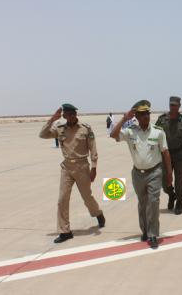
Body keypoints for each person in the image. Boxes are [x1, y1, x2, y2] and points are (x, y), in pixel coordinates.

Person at [110, 100, 173, 249]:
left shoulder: (158, 131)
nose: (146, 116)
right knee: (143, 203)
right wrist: (125, 119)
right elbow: (113, 135)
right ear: (136, 117)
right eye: (142, 114)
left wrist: (169, 173)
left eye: (147, 114)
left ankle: (152, 234)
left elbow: (165, 152)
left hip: (155, 172)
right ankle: (144, 230)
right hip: (138, 174)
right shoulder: (130, 131)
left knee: (153, 202)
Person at [39, 104, 105, 243]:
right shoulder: (60, 128)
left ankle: (98, 213)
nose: (72, 116)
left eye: (74, 113)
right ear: (64, 116)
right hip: (66, 167)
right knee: (62, 199)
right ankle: (65, 231)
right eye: (69, 114)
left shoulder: (85, 129)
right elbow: (43, 135)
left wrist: (94, 167)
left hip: (82, 166)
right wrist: (52, 119)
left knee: (87, 197)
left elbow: (93, 148)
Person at [156, 96, 182, 215]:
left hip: (180, 153)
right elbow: (154, 134)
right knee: (165, 181)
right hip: (165, 154)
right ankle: (171, 194)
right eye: (171, 105)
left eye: (175, 105)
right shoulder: (162, 120)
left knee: (180, 179)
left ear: (179, 106)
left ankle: (179, 201)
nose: (172, 107)